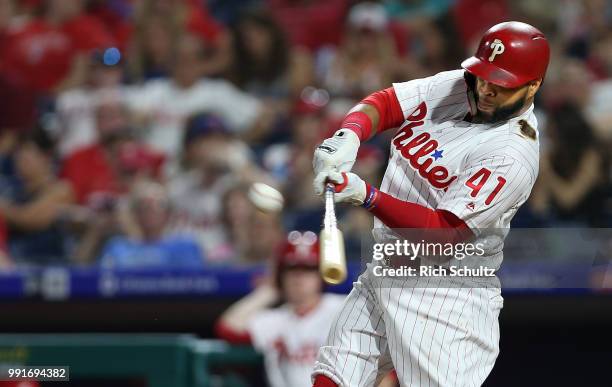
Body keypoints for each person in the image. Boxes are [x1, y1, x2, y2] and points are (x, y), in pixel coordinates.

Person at [310, 21, 550, 386]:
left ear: (533, 86)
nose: (486, 89)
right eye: (484, 76)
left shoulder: (512, 153)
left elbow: (443, 233)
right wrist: (350, 134)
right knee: (333, 377)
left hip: (445, 294)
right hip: (389, 267)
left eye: (501, 85)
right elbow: (387, 103)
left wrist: (366, 195)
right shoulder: (461, 85)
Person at [215, 231, 345, 387]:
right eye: (291, 269)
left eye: (307, 269)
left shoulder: (342, 309)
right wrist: (269, 290)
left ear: (321, 274)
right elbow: (227, 327)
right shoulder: (275, 320)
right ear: (280, 276)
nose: (299, 277)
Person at [99, 180, 203, 269]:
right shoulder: (118, 248)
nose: (152, 210)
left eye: (159, 204)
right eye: (144, 205)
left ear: (169, 213)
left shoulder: (185, 247)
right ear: (135, 213)